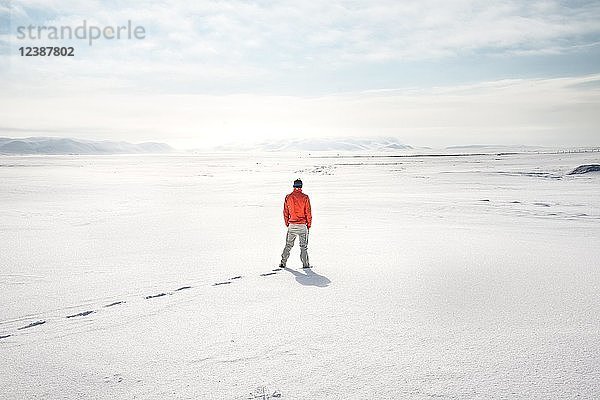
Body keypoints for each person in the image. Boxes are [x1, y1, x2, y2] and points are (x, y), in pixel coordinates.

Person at [280, 179, 312, 269]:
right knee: (303, 247)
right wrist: (308, 224)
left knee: (288, 245)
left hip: (292, 225)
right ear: (301, 186)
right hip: (302, 225)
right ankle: (306, 265)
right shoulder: (305, 197)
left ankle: (283, 262)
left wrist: (287, 223)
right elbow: (308, 212)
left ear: (294, 186)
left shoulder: (288, 197)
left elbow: (285, 212)